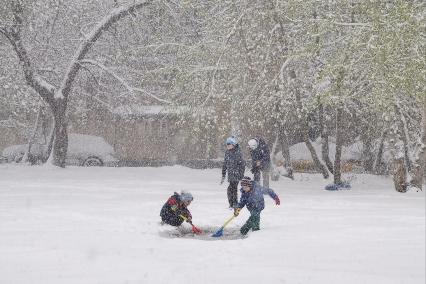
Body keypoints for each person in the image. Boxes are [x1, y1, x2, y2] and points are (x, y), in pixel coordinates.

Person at [221, 136, 245, 208]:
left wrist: (241, 174)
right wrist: (223, 174)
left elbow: (242, 165)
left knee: (233, 189)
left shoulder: (238, 153)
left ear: (233, 144)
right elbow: (225, 163)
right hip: (231, 174)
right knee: (230, 189)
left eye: (229, 144)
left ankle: (234, 203)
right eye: (227, 144)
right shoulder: (227, 152)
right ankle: (231, 204)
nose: (227, 146)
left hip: (236, 174)